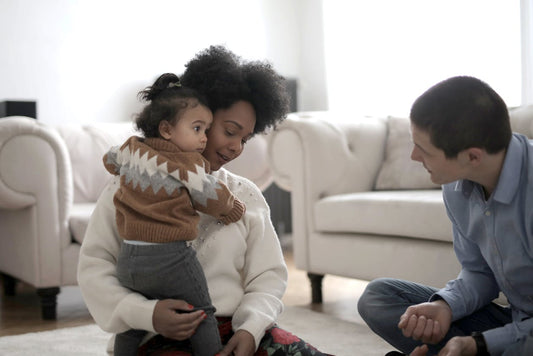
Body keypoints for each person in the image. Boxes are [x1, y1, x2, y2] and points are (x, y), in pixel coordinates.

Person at [78, 45, 332, 356]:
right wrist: (146, 314)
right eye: (229, 131)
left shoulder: (245, 195)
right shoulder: (129, 184)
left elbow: (268, 276)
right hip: (155, 336)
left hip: (237, 331)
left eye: (245, 138)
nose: (236, 147)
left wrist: (251, 329)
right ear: (199, 117)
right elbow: (94, 268)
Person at [357, 76, 533, 356]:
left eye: (424, 149)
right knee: (378, 297)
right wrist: (445, 306)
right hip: (514, 321)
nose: (414, 156)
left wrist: (480, 344)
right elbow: (479, 273)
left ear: (473, 157)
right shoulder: (456, 186)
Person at [104, 73, 247, 356]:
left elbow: (109, 160)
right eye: (197, 129)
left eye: (206, 130)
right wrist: (235, 209)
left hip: (129, 259)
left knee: (130, 326)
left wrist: (125, 165)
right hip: (168, 258)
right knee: (202, 311)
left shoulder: (132, 148)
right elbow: (214, 199)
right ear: (167, 129)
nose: (203, 139)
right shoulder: (187, 165)